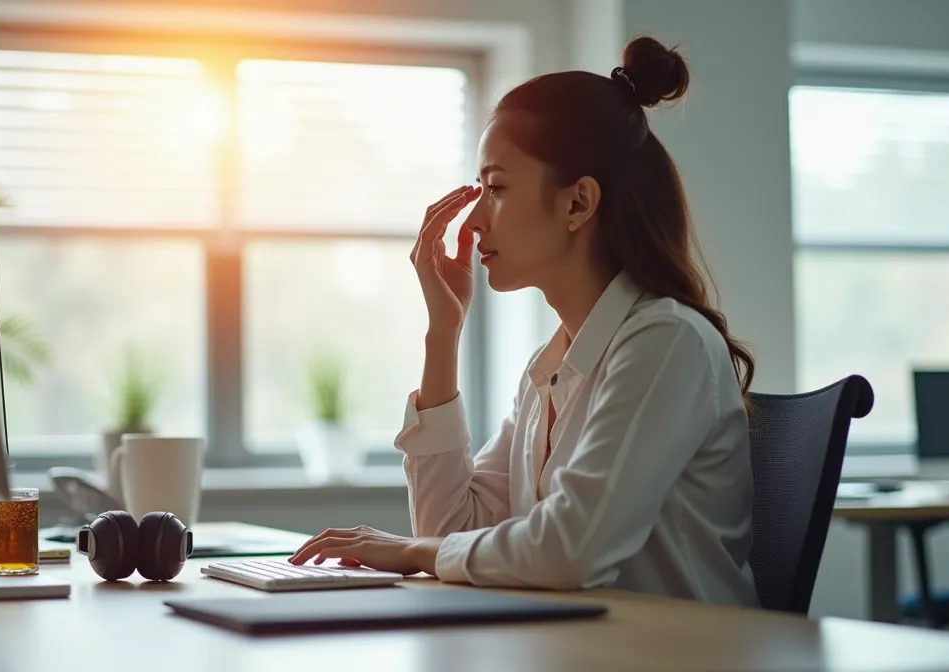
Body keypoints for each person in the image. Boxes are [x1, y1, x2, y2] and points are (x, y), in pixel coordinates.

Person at [288, 35, 759, 607]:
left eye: (497, 188)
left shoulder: (667, 341)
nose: (477, 219)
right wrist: (444, 332)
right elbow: (451, 529)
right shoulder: (549, 368)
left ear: (578, 204)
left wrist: (413, 552)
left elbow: (569, 548)